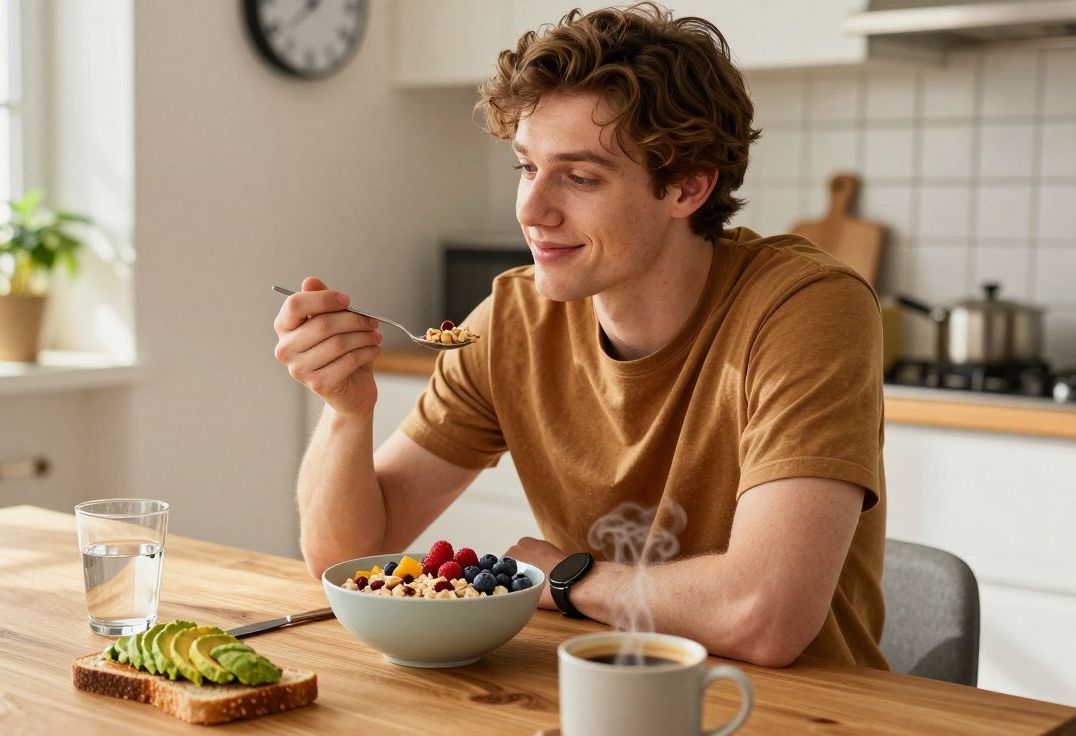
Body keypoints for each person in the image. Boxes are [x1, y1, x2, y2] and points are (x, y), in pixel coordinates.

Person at [272, 3, 886, 670]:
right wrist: (346, 409)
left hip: (796, 710)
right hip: (597, 695)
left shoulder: (803, 307)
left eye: (580, 176)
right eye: (527, 168)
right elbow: (343, 558)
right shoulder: (513, 320)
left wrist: (562, 576)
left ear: (687, 186)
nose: (532, 211)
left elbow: (763, 617)